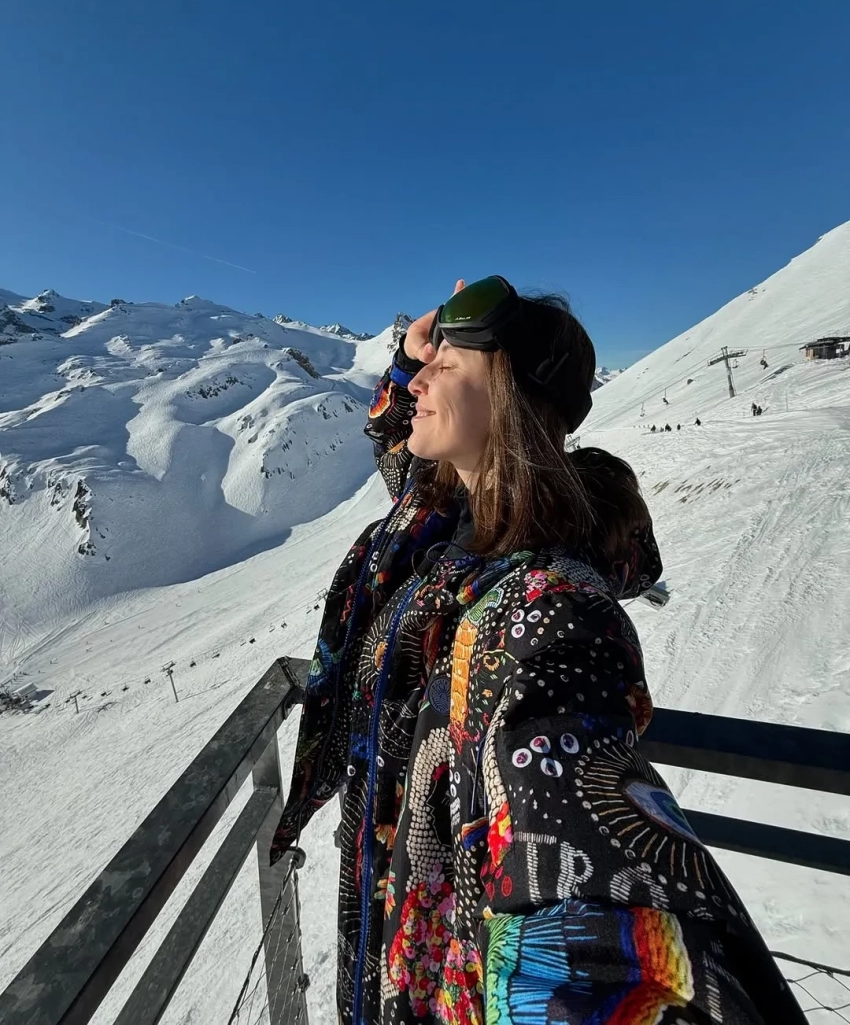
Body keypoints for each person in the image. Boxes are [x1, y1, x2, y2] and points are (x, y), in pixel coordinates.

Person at [272, 277, 805, 1025]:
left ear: (511, 396)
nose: (418, 382)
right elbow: (400, 444)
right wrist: (408, 359)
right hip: (380, 922)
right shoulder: (443, 512)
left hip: (436, 971)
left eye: (447, 366)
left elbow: (581, 847)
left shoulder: (546, 610)